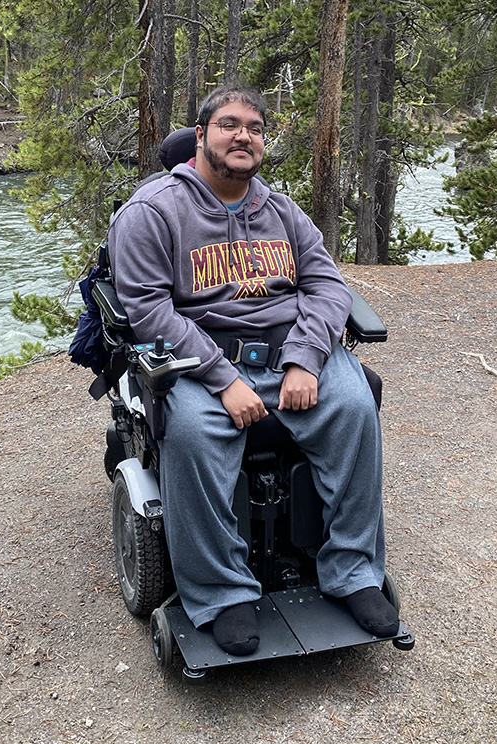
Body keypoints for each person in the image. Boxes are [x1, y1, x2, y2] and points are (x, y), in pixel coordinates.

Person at [108, 86, 398, 656]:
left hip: (291, 349)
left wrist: (306, 359)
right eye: (229, 124)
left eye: (255, 128)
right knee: (192, 432)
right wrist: (225, 379)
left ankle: (354, 572)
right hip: (201, 358)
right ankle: (222, 593)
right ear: (200, 136)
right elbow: (147, 310)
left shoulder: (283, 212)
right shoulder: (152, 212)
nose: (244, 135)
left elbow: (326, 286)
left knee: (354, 406)